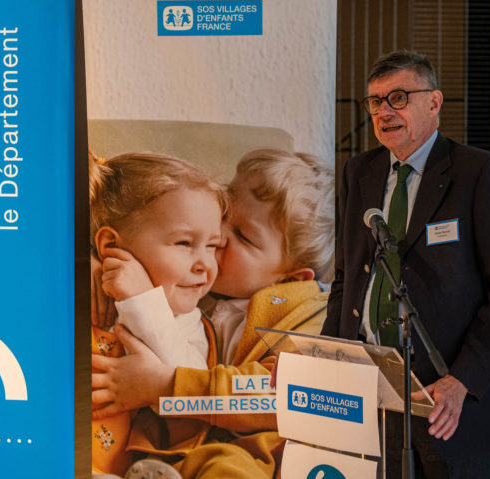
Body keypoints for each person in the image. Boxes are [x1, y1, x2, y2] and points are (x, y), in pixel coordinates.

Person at [321, 50, 490, 478]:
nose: (383, 111)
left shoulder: (479, 173)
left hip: (450, 398)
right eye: (375, 101)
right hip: (373, 388)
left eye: (398, 97)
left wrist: (462, 381)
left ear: (433, 103)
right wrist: (326, 355)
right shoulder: (359, 172)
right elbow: (346, 279)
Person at [92, 148, 335, 479]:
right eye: (223, 216)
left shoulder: (307, 316)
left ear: (291, 278)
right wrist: (95, 260)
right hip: (172, 445)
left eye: (243, 236)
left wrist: (164, 385)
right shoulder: (192, 284)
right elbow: (123, 201)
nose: (218, 237)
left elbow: (277, 398)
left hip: (250, 450)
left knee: (227, 467)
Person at [89, 151, 227, 477]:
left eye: (213, 246)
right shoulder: (80, 285)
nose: (205, 265)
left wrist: (144, 302)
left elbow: (193, 403)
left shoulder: (188, 323)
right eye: (183, 243)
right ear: (110, 245)